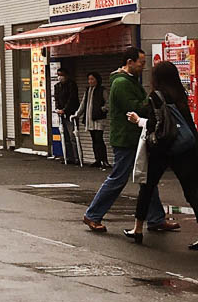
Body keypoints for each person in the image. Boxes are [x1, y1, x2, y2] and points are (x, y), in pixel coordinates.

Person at [83, 48, 178, 234]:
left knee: (147, 178)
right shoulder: (121, 83)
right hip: (126, 138)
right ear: (129, 62)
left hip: (135, 137)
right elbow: (134, 108)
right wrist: (153, 101)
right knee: (119, 178)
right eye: (140, 62)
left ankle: (156, 218)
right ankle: (93, 215)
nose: (143, 66)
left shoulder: (129, 81)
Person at [122, 60, 198, 247]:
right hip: (185, 148)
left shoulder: (155, 96)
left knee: (147, 187)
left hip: (162, 148)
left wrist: (138, 120)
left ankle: (137, 229)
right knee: (192, 192)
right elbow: (188, 122)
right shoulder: (180, 94)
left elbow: (156, 125)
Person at [75, 71, 109, 169]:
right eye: (89, 79)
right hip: (89, 118)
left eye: (92, 79)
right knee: (94, 140)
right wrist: (77, 114)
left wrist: (103, 108)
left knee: (99, 139)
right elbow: (83, 104)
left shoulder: (102, 90)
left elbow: (108, 102)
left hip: (98, 118)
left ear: (97, 80)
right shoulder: (88, 90)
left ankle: (104, 160)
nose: (90, 81)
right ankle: (97, 159)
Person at [54, 68, 80, 165]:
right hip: (61, 114)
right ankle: (68, 157)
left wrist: (64, 109)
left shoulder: (71, 85)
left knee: (73, 136)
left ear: (66, 75)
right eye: (58, 75)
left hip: (70, 114)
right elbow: (56, 98)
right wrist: (58, 109)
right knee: (65, 137)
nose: (60, 77)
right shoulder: (57, 86)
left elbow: (72, 99)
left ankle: (77, 157)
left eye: (62, 75)